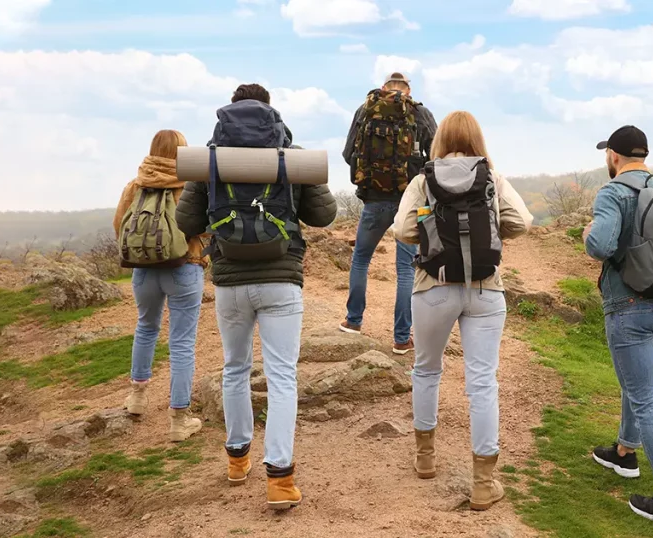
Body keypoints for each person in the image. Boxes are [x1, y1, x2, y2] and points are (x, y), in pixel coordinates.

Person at [176, 83, 338, 510]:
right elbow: (324, 215)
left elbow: (186, 219)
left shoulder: (211, 158)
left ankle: (237, 461)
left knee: (235, 369)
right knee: (282, 376)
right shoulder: (290, 154)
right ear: (271, 114)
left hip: (230, 282)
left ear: (228, 114)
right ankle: (280, 481)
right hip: (281, 278)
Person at [392, 110, 533, 511]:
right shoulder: (492, 178)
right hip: (486, 289)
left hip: (433, 287)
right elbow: (522, 222)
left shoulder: (424, 180)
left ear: (440, 139)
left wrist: (432, 231)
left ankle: (425, 459)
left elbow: (401, 230)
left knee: (426, 369)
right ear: (477, 139)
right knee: (483, 382)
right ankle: (484, 483)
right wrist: (488, 231)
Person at [583, 125, 653, 529]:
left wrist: (586, 234)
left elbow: (602, 246)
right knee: (638, 384)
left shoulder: (613, 192)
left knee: (645, 399)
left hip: (628, 306)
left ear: (613, 155)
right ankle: (625, 453)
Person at [115, 129, 207, 443]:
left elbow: (120, 226)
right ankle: (179, 421)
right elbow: (206, 226)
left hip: (143, 270)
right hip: (185, 267)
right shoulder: (191, 185)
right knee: (181, 342)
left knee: (146, 328)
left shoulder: (136, 185)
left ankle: (138, 398)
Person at [340, 72, 438, 355]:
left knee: (360, 259)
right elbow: (436, 154)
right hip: (410, 200)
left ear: (383, 88)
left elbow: (349, 153)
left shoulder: (366, 109)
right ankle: (400, 337)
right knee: (406, 269)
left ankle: (353, 320)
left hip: (373, 199)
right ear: (408, 89)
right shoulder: (420, 113)